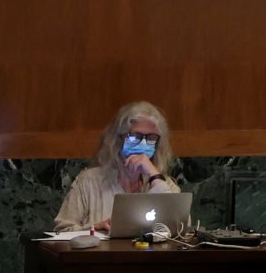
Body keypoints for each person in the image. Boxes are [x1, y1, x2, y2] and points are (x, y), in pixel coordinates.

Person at [54, 100, 181, 234]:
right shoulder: (88, 182)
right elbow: (62, 230)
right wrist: (94, 228)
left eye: (151, 137)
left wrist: (154, 174)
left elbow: (181, 228)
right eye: (135, 136)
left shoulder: (165, 184)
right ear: (118, 140)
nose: (143, 143)